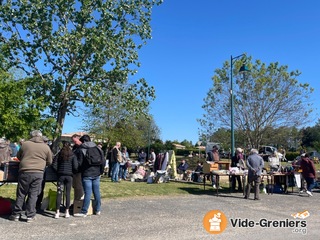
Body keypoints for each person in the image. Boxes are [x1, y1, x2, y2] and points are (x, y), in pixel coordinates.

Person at [9, 130, 52, 223]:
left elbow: (19, 156)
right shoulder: (46, 147)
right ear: (41, 136)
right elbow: (49, 161)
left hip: (25, 171)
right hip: (38, 172)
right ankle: (30, 216)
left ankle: (16, 214)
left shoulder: (25, 144)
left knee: (21, 193)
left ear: (31, 135)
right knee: (33, 194)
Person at [74, 135, 106, 217]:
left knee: (87, 193)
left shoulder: (82, 149)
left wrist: (78, 171)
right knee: (96, 192)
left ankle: (84, 211)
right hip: (97, 173)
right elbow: (103, 161)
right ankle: (98, 210)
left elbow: (79, 163)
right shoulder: (98, 148)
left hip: (86, 173)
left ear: (83, 141)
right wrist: (101, 171)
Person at [52, 141, 78, 218]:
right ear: (70, 146)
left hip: (61, 176)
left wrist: (58, 171)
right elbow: (75, 166)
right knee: (68, 193)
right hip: (69, 176)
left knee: (59, 193)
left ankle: (57, 212)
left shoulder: (59, 154)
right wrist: (72, 172)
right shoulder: (72, 155)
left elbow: (54, 164)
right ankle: (67, 211)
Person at [71, 134, 84, 201]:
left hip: (79, 170)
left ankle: (79, 201)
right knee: (75, 187)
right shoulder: (75, 147)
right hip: (74, 170)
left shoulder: (82, 147)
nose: (74, 142)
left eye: (74, 141)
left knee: (79, 187)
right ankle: (76, 201)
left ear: (78, 138)